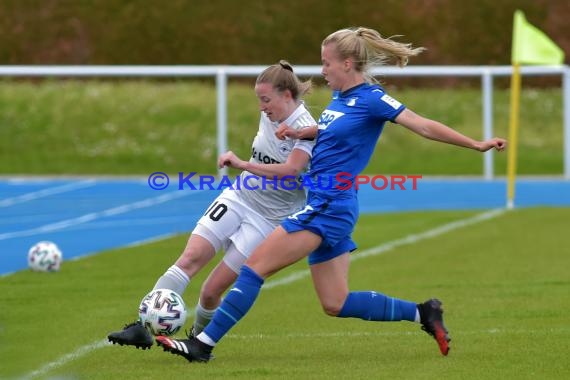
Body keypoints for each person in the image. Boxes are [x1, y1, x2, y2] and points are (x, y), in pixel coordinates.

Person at [155, 26, 507, 361]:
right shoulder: (341, 98)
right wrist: (301, 134)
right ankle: (423, 312)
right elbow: (329, 134)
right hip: (330, 205)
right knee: (335, 302)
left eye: (326, 63)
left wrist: (475, 143)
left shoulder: (372, 99)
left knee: (253, 270)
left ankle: (202, 344)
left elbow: (423, 125)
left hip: (328, 205)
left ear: (347, 64)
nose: (322, 70)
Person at [107, 60, 317, 349]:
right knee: (191, 257)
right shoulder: (271, 115)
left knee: (211, 291)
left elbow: (291, 170)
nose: (261, 107)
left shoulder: (305, 128)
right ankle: (143, 328)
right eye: (259, 99)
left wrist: (242, 163)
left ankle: (197, 341)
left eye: (266, 99)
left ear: (287, 96)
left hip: (268, 221)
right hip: (239, 196)